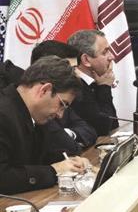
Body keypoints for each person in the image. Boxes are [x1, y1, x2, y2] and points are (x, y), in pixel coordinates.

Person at [0, 56, 91, 194]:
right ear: (44, 90)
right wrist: (54, 171)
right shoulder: (3, 113)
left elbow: (46, 155)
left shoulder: (35, 116)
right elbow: (3, 177)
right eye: (62, 104)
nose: (60, 115)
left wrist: (72, 162)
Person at [68, 30, 119, 136]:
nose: (112, 57)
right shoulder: (74, 87)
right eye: (104, 52)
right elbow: (102, 128)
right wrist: (104, 87)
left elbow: (114, 124)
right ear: (86, 60)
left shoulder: (97, 82)